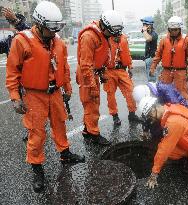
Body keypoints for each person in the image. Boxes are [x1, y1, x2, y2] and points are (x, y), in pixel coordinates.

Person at [5, 1, 85, 193]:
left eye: (56, 28)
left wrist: (67, 89)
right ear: (39, 24)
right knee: (37, 133)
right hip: (34, 95)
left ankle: (65, 153)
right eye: (51, 29)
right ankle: (37, 168)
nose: (54, 32)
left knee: (60, 124)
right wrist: (15, 97)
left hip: (55, 92)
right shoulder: (22, 40)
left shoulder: (57, 41)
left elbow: (64, 67)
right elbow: (12, 72)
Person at [76, 10, 125, 145]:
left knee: (90, 103)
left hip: (94, 71)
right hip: (87, 73)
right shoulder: (89, 37)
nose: (113, 36)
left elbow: (101, 56)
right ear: (104, 26)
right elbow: (86, 65)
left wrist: (102, 72)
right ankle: (94, 134)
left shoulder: (104, 33)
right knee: (92, 103)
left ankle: (87, 130)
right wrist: (92, 86)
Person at [149, 16, 188, 106]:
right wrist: (152, 68)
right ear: (169, 29)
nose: (174, 32)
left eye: (176, 30)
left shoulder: (186, 40)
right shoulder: (163, 40)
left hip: (180, 72)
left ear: (180, 29)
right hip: (166, 72)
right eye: (172, 29)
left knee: (183, 95)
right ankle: (166, 115)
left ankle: (186, 115)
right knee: (164, 93)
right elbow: (158, 55)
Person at [103, 25, 140, 127]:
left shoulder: (124, 38)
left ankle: (132, 114)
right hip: (109, 71)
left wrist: (130, 66)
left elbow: (127, 53)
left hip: (122, 70)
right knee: (110, 95)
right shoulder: (105, 37)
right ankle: (115, 116)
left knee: (131, 91)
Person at [140, 16, 158, 82]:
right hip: (148, 58)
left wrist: (144, 30)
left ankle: (153, 90)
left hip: (152, 58)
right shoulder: (149, 33)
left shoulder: (154, 34)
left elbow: (148, 39)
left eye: (145, 25)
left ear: (150, 25)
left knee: (152, 79)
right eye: (143, 24)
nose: (144, 26)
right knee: (149, 78)